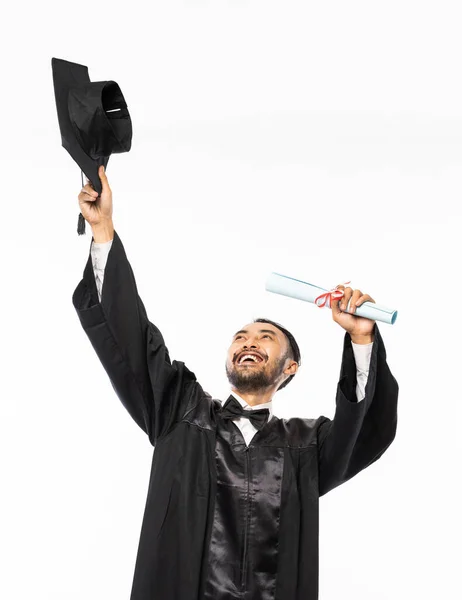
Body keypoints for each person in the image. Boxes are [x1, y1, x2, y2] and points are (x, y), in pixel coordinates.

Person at [72, 166, 399, 600]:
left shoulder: (307, 447)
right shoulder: (179, 411)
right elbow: (132, 338)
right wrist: (103, 230)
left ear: (290, 368)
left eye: (267, 339)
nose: (249, 343)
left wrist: (360, 336)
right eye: (241, 338)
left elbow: (365, 429)